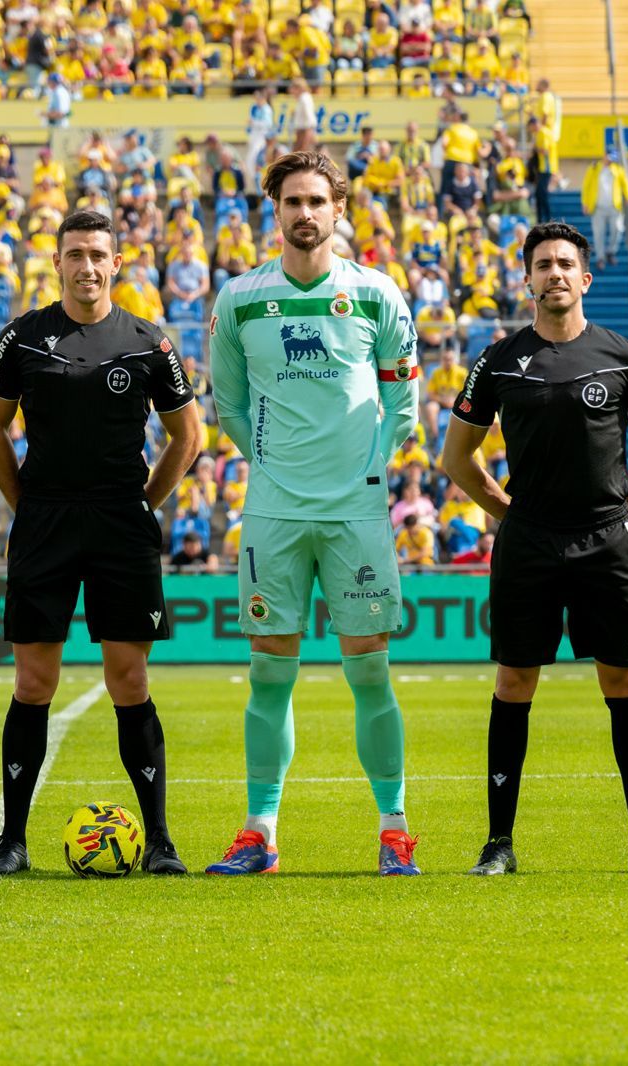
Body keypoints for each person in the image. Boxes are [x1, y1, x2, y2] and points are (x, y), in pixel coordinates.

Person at [440, 221, 628, 876]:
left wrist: (623, 512)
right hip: (530, 543)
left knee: (622, 678)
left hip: (609, 542)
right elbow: (456, 457)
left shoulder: (622, 355)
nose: (553, 272)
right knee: (515, 681)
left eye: (564, 263)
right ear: (527, 279)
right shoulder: (497, 360)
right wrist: (505, 512)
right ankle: (498, 845)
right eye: (542, 264)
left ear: (584, 278)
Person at [205, 151, 423, 877]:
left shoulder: (377, 294)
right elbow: (227, 404)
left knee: (370, 675)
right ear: (276, 212)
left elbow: (404, 401)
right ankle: (259, 832)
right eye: (292, 202)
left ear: (339, 210)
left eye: (316, 201)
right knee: (270, 675)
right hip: (273, 513)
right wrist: (267, 464)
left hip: (356, 513)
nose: (305, 214)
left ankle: (394, 830)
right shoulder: (239, 298)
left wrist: (371, 465)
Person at [0, 210, 202, 877]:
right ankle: (11, 841)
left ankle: (160, 840)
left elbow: (187, 436)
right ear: (57, 262)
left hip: (119, 525)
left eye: (98, 254)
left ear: (117, 262)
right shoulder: (22, 337)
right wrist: (26, 505)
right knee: (33, 681)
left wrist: (143, 504)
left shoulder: (146, 342)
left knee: (128, 679)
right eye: (75, 254)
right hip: (45, 521)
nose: (87, 266)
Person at [581, 149, 628, 270]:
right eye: (609, 157)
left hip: (614, 206)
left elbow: (626, 184)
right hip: (598, 207)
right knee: (598, 233)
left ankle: (611, 251)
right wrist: (585, 203)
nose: (610, 160)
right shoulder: (594, 168)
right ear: (604, 155)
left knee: (617, 229)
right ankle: (600, 257)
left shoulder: (618, 169)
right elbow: (586, 186)